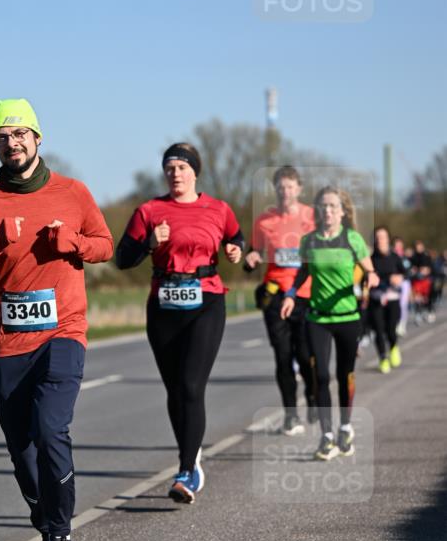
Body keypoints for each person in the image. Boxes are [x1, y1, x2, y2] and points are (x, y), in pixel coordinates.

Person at [0, 98, 113, 541]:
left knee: (50, 429)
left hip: (63, 331)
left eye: (20, 133)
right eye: (3, 136)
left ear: (38, 139)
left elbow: (104, 244)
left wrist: (74, 245)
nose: (12, 142)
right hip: (8, 341)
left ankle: (61, 540)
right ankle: (48, 532)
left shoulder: (73, 192)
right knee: (21, 447)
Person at [115, 142, 244, 503]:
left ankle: (187, 471)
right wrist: (149, 244)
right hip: (163, 305)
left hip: (206, 301)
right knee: (175, 390)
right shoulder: (149, 210)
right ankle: (190, 457)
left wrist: (236, 249)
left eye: (182, 168)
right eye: (170, 168)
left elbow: (236, 237)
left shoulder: (218, 208)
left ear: (195, 172)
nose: (175, 173)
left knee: (191, 386)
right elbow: (122, 259)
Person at [280, 186, 379, 461]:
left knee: (344, 374)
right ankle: (326, 437)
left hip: (348, 319)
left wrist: (371, 277)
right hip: (318, 319)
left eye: (333, 206)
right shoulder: (309, 241)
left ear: (343, 211)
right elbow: (303, 272)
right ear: (317, 211)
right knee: (320, 376)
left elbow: (370, 270)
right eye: (323, 206)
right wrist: (290, 295)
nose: (327, 211)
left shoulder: (352, 239)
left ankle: (345, 427)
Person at [245, 165, 316, 435]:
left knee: (306, 355)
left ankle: (311, 395)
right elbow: (254, 253)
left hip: (305, 295)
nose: (285, 192)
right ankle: (290, 415)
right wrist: (251, 259)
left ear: (299, 189)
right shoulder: (264, 221)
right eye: (280, 187)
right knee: (283, 356)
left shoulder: (313, 217)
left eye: (290, 186)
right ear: (275, 190)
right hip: (275, 296)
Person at [369, 226, 405, 373]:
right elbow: (366, 277)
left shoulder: (395, 257)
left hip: (392, 298)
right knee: (378, 330)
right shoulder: (371, 259)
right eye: (377, 237)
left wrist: (399, 278)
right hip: (376, 299)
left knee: (391, 329)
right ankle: (383, 358)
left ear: (388, 239)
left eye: (382, 237)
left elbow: (405, 273)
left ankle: (394, 346)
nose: (380, 240)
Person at [409, 240, 433, 324]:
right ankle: (418, 314)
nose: (419, 248)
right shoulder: (413, 257)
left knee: (426, 298)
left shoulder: (426, 256)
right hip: (416, 281)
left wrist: (426, 270)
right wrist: (414, 270)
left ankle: (429, 311)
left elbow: (430, 268)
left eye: (420, 246)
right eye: (417, 247)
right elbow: (410, 268)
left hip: (425, 280)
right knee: (417, 298)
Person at [392, 237, 412, 336]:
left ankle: (402, 324)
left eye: (399, 245)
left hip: (404, 283)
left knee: (402, 304)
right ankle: (394, 323)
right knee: (394, 305)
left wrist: (402, 276)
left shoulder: (404, 258)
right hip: (393, 283)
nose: (398, 247)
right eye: (396, 245)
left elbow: (408, 272)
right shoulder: (390, 256)